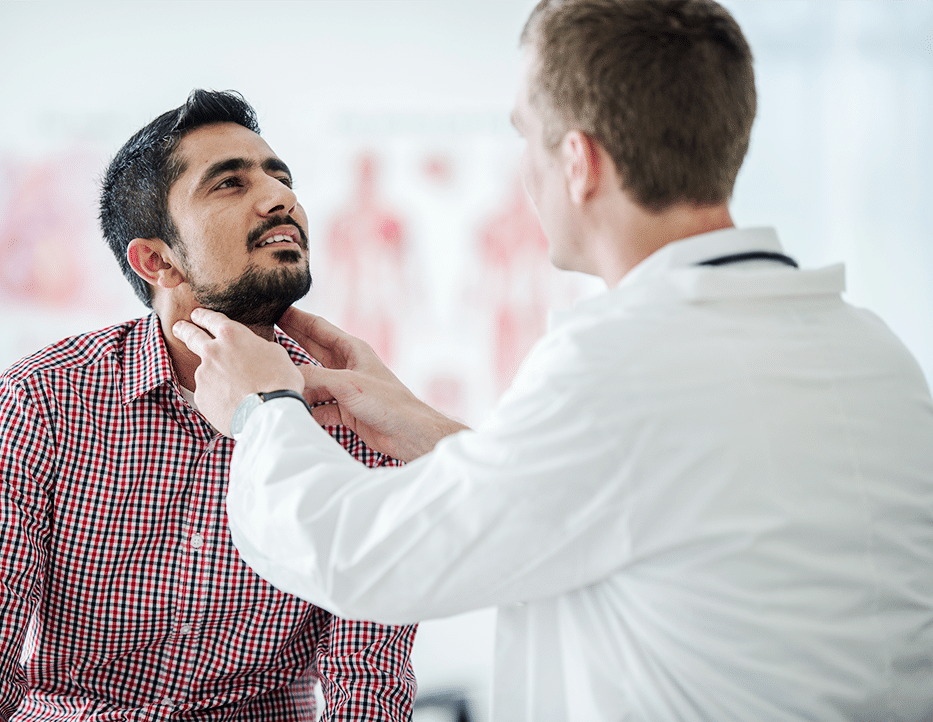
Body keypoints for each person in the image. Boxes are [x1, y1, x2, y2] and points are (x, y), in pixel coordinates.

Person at [171, 2, 933, 721]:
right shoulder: (871, 349)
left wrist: (263, 409)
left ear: (578, 161)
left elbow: (356, 556)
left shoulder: (623, 363)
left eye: (525, 137)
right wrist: (427, 430)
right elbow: (633, 499)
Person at [0, 90, 416, 721]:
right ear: (157, 260)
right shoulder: (46, 397)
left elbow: (368, 675)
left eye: (282, 178)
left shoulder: (360, 414)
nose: (280, 198)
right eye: (230, 183)